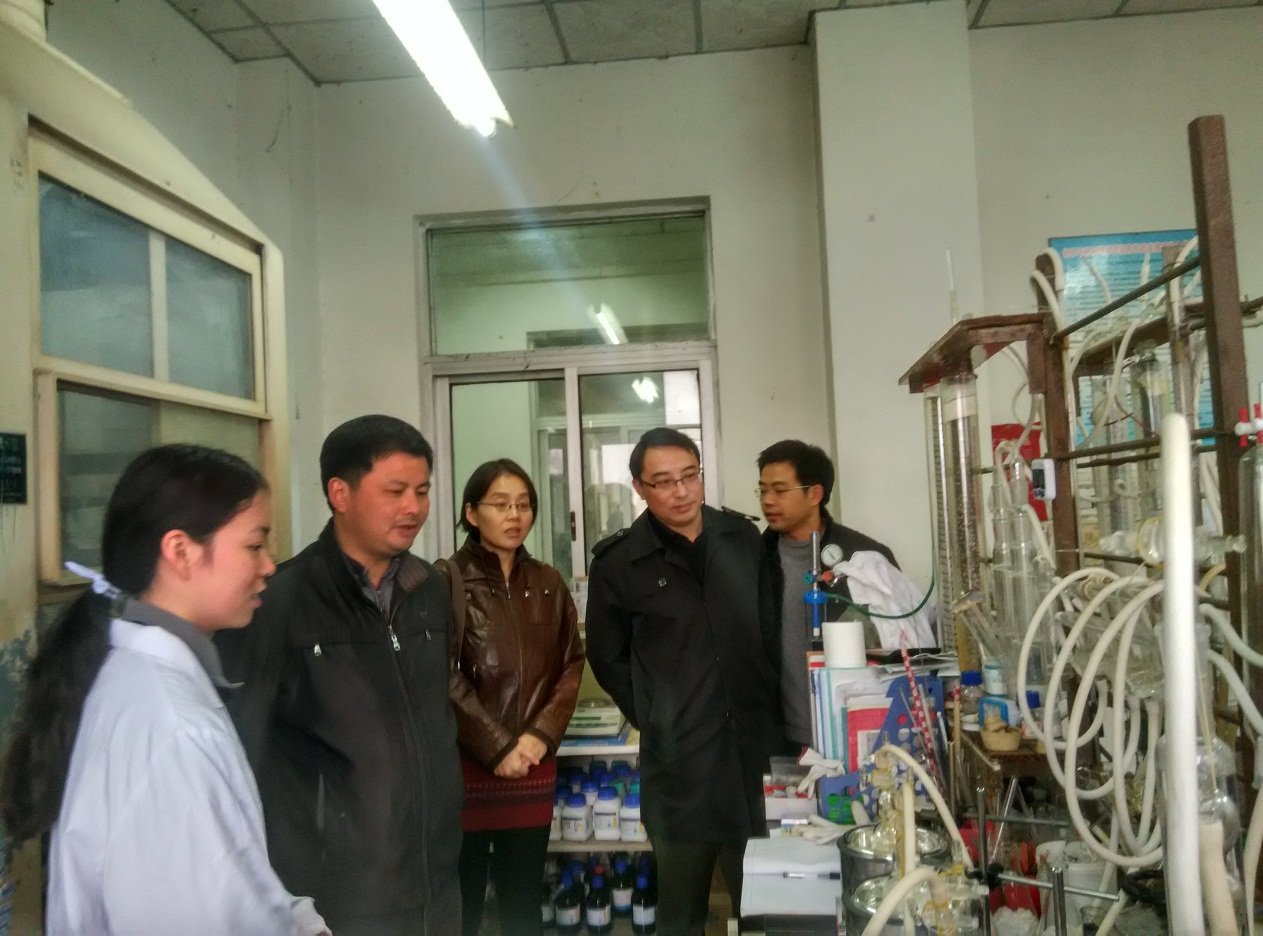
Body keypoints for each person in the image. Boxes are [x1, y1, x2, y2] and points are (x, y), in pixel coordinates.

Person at [0, 444, 327, 935]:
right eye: (254, 545)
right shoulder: (174, 728)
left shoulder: (141, 679)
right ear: (180, 551)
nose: (269, 566)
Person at [217, 415, 462, 935]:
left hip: (436, 880)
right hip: (336, 895)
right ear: (340, 493)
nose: (414, 507)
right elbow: (242, 752)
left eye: (422, 491)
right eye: (395, 491)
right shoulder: (278, 601)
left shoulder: (430, 589)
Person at [585, 427, 781, 936]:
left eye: (690, 476)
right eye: (664, 481)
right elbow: (606, 657)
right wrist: (657, 715)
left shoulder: (742, 540)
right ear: (639, 487)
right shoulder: (619, 563)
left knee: (764, 908)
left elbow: (769, 632)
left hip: (753, 760)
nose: (681, 491)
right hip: (681, 768)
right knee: (681, 913)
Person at [441, 458, 585, 936]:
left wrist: (540, 735)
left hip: (531, 762)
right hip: (467, 766)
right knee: (462, 901)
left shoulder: (548, 582)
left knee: (523, 900)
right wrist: (496, 746)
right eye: (500, 504)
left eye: (524, 505)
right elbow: (439, 674)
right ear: (471, 512)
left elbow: (571, 662)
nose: (514, 515)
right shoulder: (446, 580)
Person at [756, 439, 898, 753]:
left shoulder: (866, 559)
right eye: (763, 490)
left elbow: (900, 646)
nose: (768, 500)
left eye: (779, 490)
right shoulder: (753, 561)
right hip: (779, 740)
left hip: (858, 731)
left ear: (815, 494)